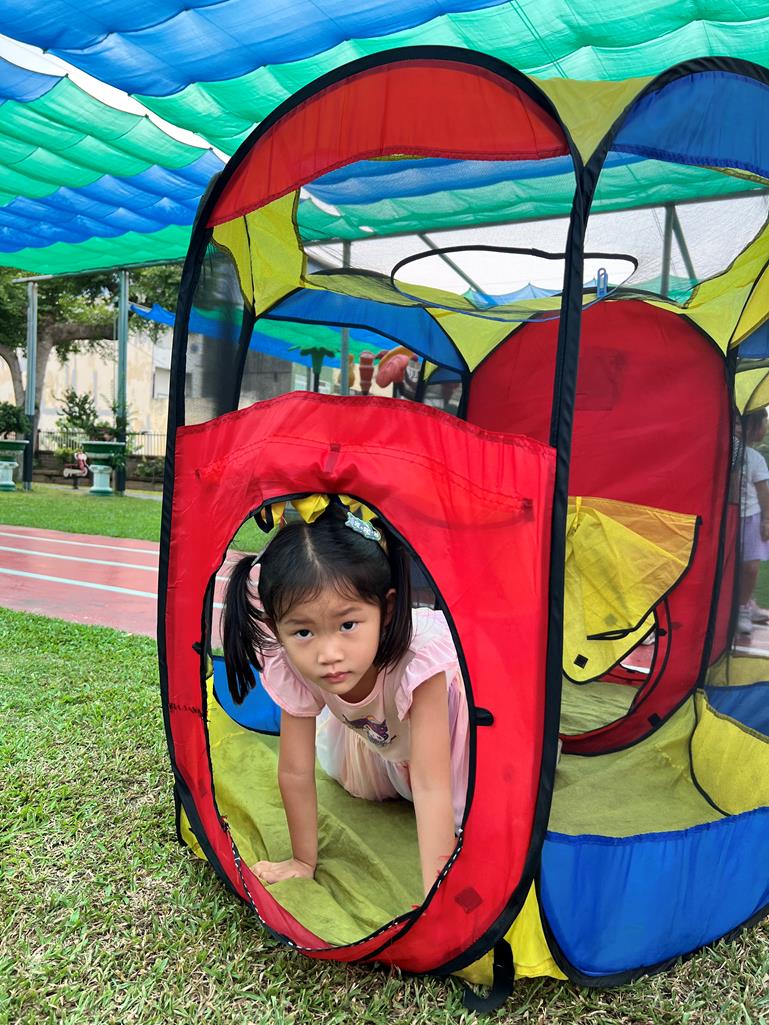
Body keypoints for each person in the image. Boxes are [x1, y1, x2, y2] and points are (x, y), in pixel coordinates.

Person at [222, 499, 469, 898]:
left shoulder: (419, 661)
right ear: (276, 627)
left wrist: (435, 901)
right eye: (304, 632)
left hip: (458, 745)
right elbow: (295, 771)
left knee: (470, 822)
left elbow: (432, 786)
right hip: (392, 740)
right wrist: (303, 861)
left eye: (348, 625)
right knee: (347, 771)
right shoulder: (295, 664)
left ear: (387, 610)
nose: (329, 654)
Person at [738, 408, 769, 636]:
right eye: (764, 423)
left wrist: (766, 520)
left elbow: (763, 492)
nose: (765, 428)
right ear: (753, 426)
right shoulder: (731, 453)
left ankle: (744, 608)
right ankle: (743, 605)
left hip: (750, 518)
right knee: (734, 567)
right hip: (730, 519)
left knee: (750, 567)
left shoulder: (755, 458)